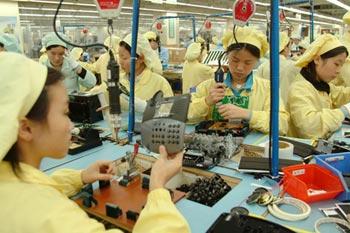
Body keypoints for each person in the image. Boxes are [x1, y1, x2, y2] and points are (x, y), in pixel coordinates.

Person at [0, 52, 190, 233]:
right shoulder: (51, 217)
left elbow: (38, 186)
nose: (71, 126)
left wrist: (80, 177)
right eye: (65, 113)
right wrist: (157, 187)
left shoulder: (10, 185)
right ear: (25, 128)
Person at [188, 27, 289, 135]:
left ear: (256, 62)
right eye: (235, 60)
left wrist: (249, 115)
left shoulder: (268, 89)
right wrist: (206, 102)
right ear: (227, 56)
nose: (240, 68)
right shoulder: (207, 86)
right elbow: (186, 114)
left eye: (247, 62)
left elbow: (282, 125)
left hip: (251, 150)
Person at [287, 34, 350, 139]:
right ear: (317, 60)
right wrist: (344, 111)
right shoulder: (300, 88)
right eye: (336, 64)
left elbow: (341, 94)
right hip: (302, 151)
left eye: (341, 65)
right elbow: (309, 126)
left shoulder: (321, 85)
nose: (339, 71)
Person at [118, 33, 173, 110]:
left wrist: (146, 108)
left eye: (124, 58)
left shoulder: (160, 83)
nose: (120, 62)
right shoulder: (119, 81)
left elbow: (169, 111)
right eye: (119, 57)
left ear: (140, 58)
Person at [255, 31, 300, 105]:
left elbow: (258, 89)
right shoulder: (294, 66)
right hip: (287, 107)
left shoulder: (263, 66)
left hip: (267, 107)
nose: (290, 49)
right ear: (285, 48)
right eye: (289, 46)